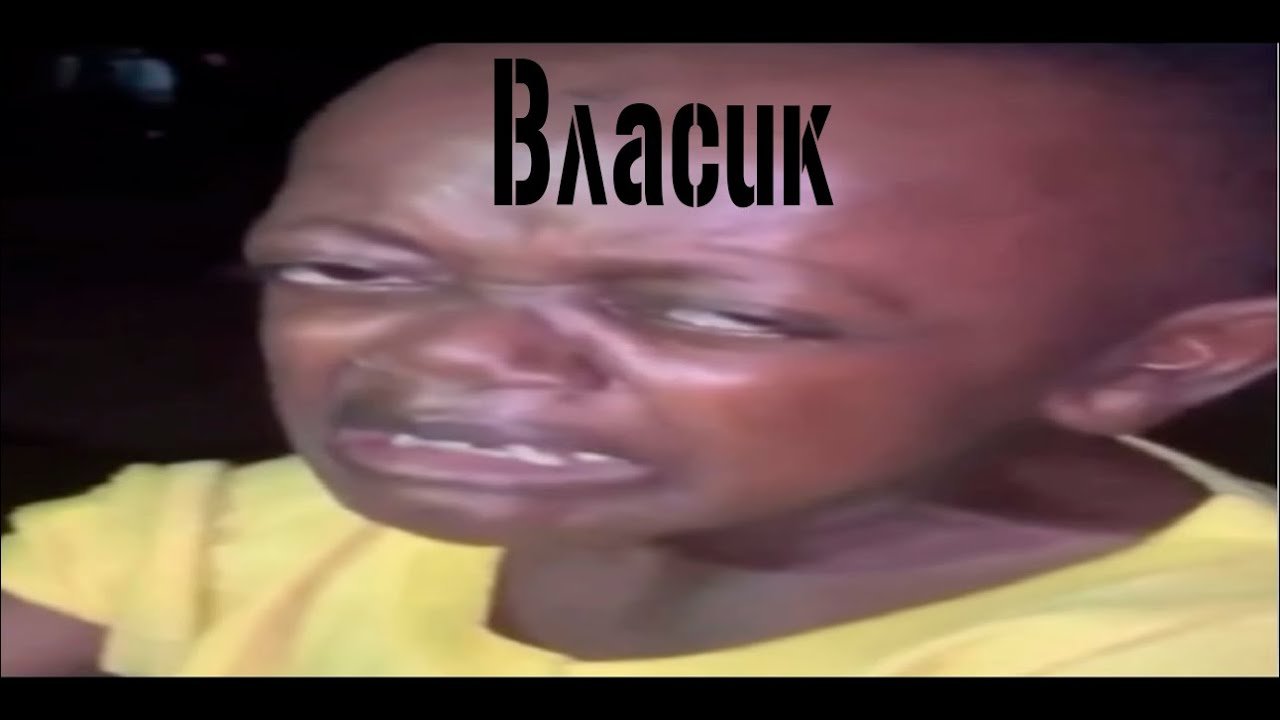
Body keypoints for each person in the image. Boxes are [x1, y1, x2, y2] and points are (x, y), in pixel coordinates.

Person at [2, 43, 1275, 677]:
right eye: (352, 272)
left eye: (711, 313)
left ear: (1152, 363)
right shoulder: (254, 532)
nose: (451, 355)